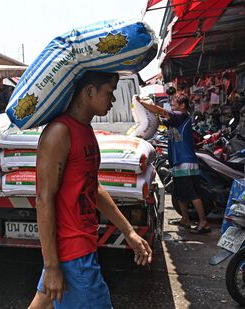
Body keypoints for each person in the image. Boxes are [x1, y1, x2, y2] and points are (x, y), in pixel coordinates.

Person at [28, 72, 153, 309]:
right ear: (88, 92)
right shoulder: (59, 132)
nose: (113, 99)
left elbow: (92, 186)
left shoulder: (85, 131)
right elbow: (44, 199)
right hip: (72, 253)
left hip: (80, 245)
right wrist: (52, 266)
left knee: (43, 304)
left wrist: (129, 232)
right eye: (109, 92)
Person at [138, 94, 211, 234]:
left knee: (192, 193)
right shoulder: (175, 120)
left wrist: (143, 103)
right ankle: (185, 219)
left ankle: (203, 222)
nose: (172, 105)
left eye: (174, 103)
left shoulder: (181, 116)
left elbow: (162, 112)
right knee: (179, 193)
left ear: (182, 105)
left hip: (186, 162)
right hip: (178, 162)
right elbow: (159, 120)